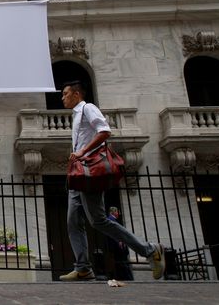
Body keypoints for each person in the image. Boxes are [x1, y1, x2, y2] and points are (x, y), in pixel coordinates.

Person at [59, 81, 165, 281]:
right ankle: (82, 268)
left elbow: (104, 131)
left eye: (65, 94)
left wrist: (82, 151)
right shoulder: (76, 115)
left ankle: (150, 250)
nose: (62, 97)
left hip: (89, 173)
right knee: (73, 221)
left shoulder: (88, 108)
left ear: (76, 94)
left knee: (98, 221)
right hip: (78, 175)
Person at [105, 206, 133, 280]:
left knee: (120, 262)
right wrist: (119, 242)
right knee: (121, 262)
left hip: (116, 245)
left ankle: (123, 276)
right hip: (116, 246)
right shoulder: (111, 219)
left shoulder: (112, 220)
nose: (118, 213)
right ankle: (126, 277)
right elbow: (114, 233)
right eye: (117, 212)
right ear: (113, 212)